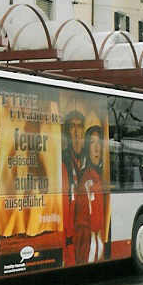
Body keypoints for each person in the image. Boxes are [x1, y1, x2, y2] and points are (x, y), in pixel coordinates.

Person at [79, 126, 108, 263]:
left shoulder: (104, 174)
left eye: (100, 143)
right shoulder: (87, 179)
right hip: (93, 236)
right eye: (92, 143)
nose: (97, 148)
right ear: (87, 149)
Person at [61, 110, 86, 266]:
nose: (76, 132)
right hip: (71, 234)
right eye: (72, 127)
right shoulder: (62, 160)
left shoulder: (90, 161)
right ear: (67, 132)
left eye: (79, 126)